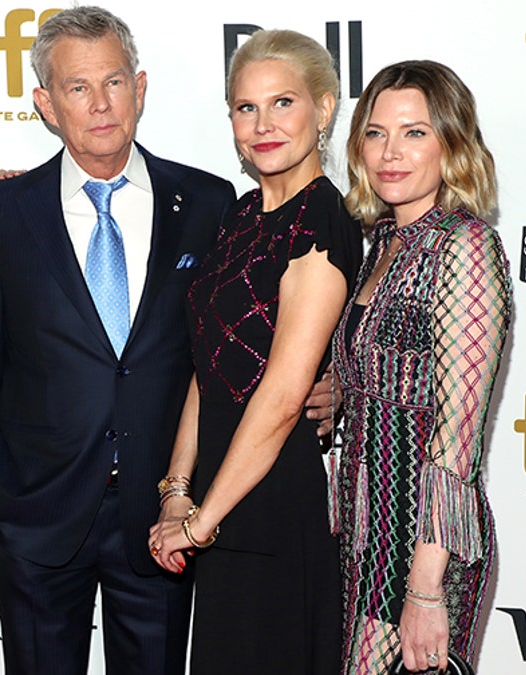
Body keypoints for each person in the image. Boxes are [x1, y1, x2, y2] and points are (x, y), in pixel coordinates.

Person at [0, 6, 234, 674]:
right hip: (37, 514)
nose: (100, 104)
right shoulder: (0, 213)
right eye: (78, 88)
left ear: (140, 86)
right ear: (47, 104)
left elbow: (224, 353)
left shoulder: (207, 202)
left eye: (113, 82)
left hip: (161, 514)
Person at [145, 29, 361, 674]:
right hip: (218, 499)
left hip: (269, 502)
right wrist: (177, 491)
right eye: (246, 108)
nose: (262, 125)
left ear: (323, 110)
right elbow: (205, 367)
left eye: (283, 103)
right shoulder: (240, 216)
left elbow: (286, 392)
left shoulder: (323, 220)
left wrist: (203, 519)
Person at [333, 60, 512, 674]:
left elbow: (458, 436)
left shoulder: (463, 245)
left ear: (452, 143)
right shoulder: (383, 242)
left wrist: (425, 588)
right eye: (376, 132)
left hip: (423, 546)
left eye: (415, 132)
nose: (390, 152)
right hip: (366, 536)